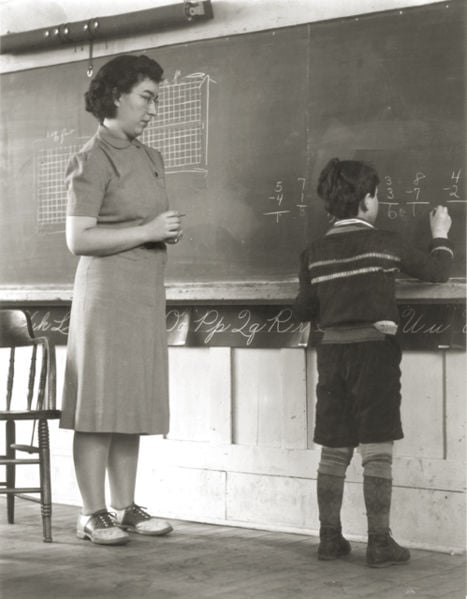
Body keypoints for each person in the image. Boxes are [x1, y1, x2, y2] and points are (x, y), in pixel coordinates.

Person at [294, 158, 453, 567]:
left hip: (332, 355)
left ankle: (329, 538)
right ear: (367, 201)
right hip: (374, 354)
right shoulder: (386, 243)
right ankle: (379, 542)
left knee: (334, 446)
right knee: (376, 447)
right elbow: (437, 272)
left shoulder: (313, 253)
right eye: (376, 195)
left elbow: (303, 309)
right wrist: (440, 234)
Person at [60, 54, 184, 545]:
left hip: (142, 294)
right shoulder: (91, 158)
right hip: (106, 296)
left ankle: (125, 507)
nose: (153, 108)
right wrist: (149, 229)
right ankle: (91, 514)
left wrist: (157, 233)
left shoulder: (150, 157)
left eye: (156, 98)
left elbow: (135, 226)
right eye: (146, 97)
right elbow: (78, 240)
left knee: (129, 402)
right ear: (116, 96)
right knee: (99, 405)